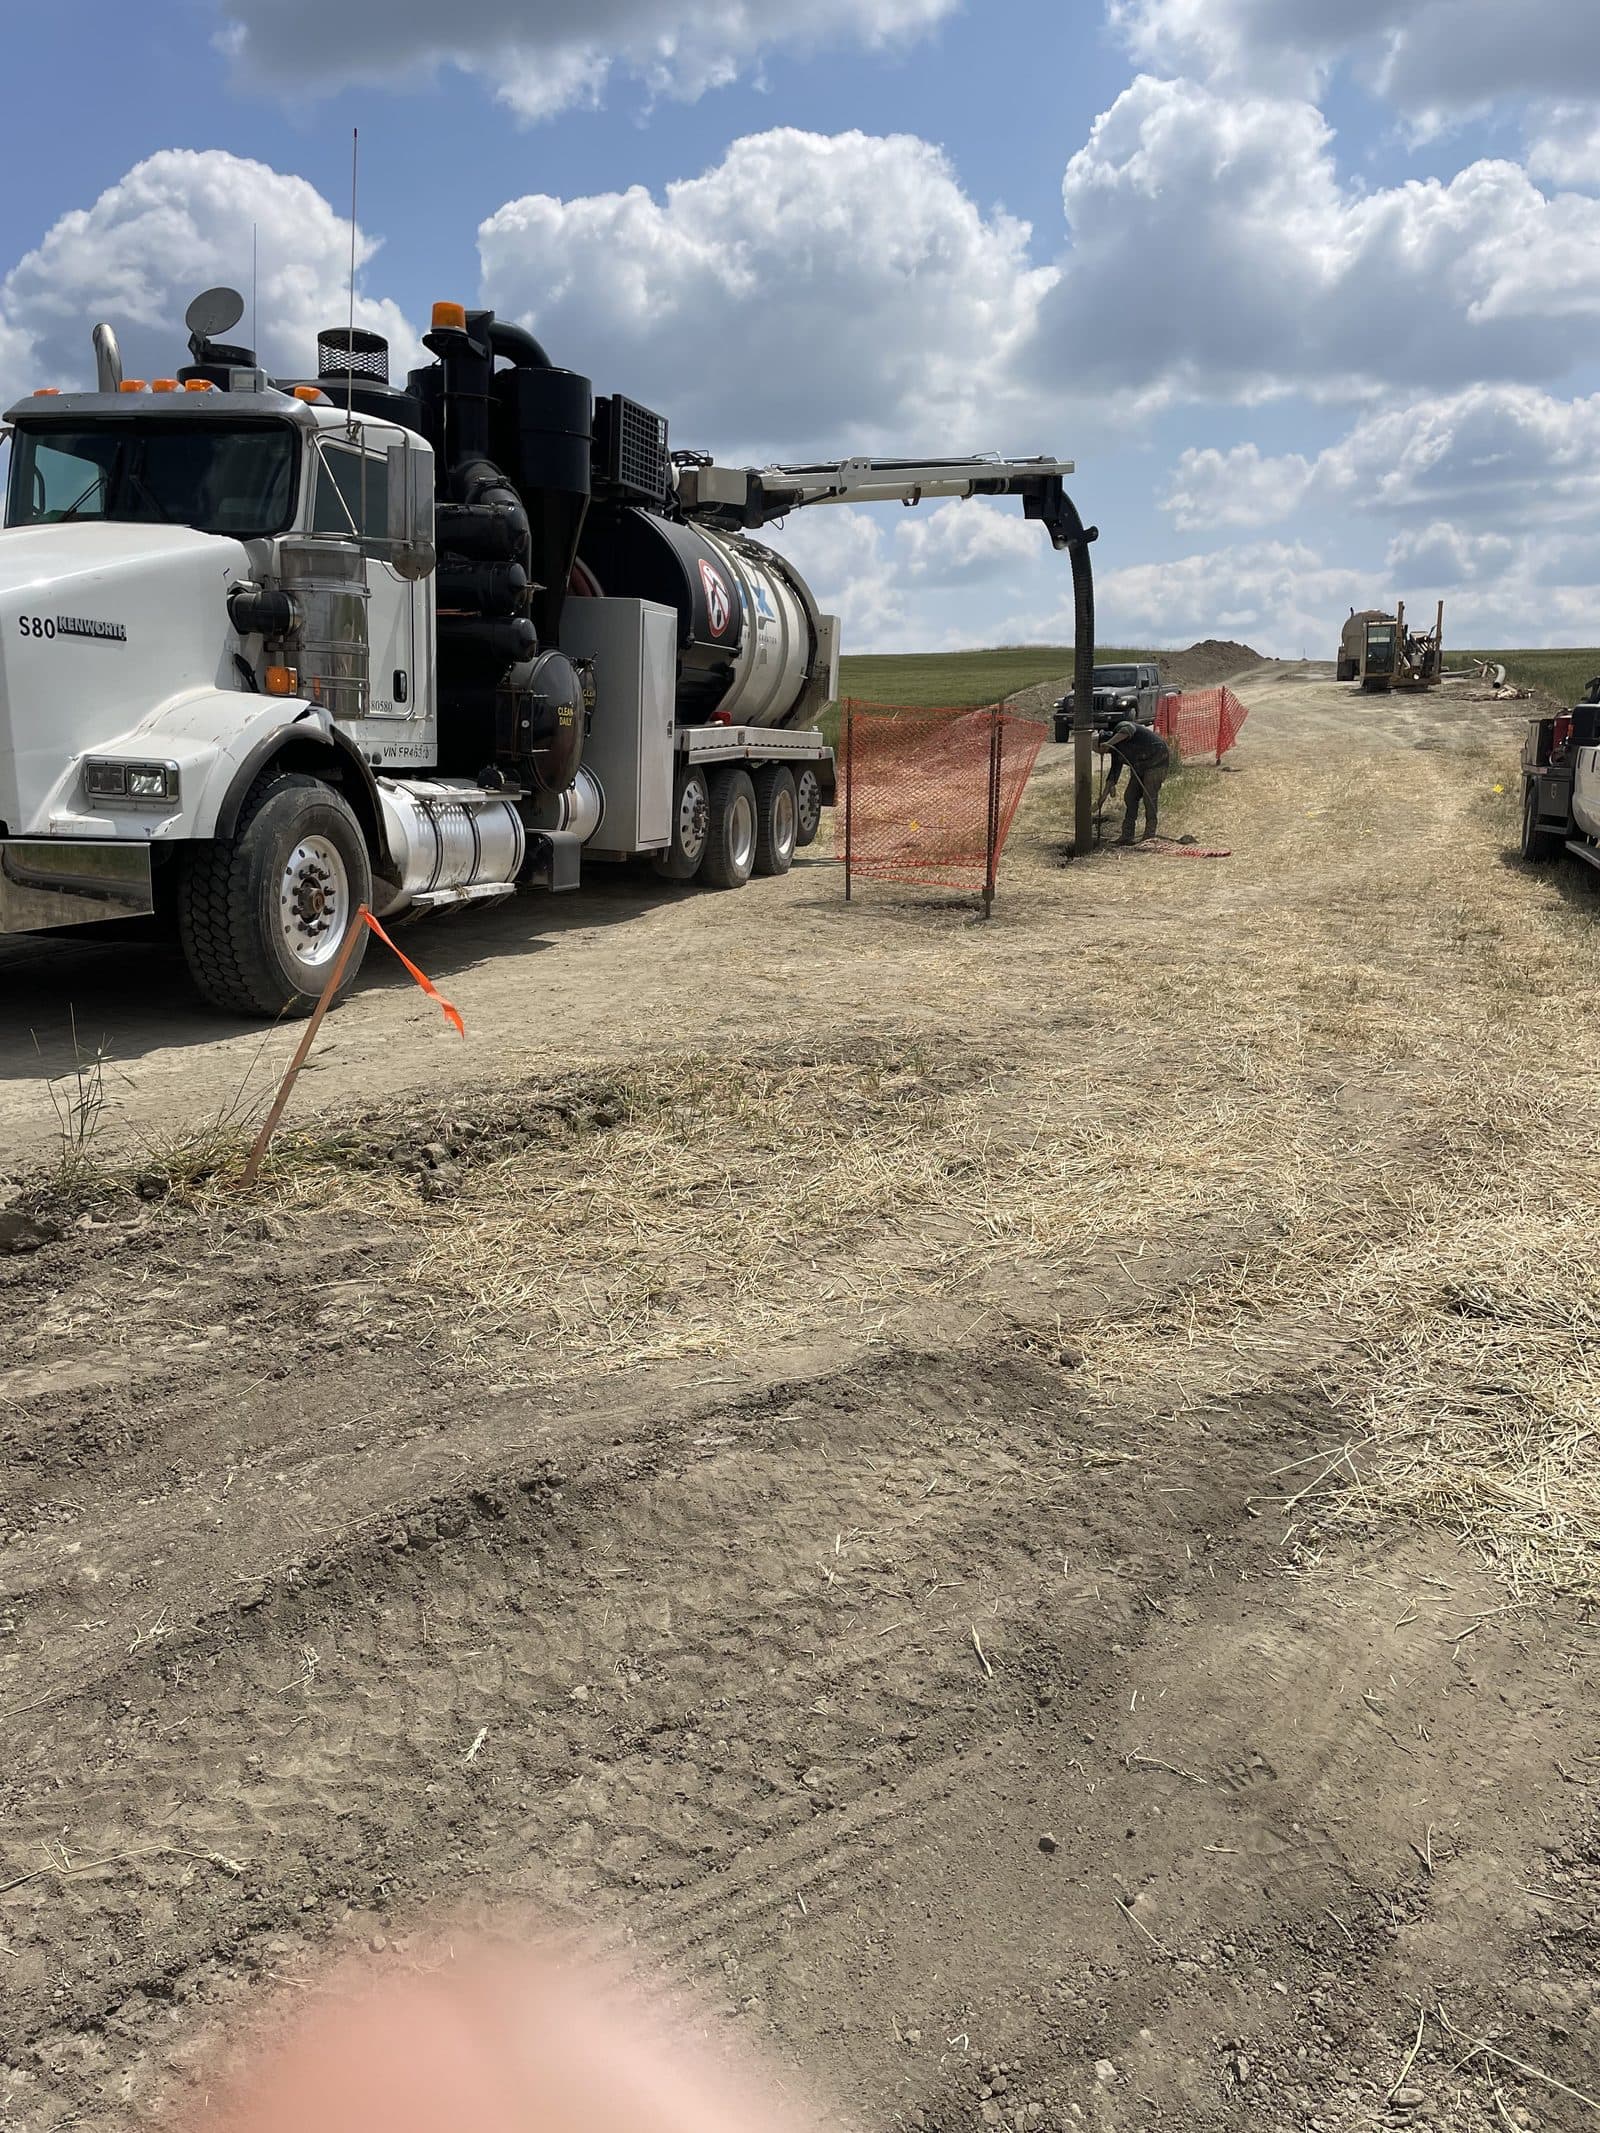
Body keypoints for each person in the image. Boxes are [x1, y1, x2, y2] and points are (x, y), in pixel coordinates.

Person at [1098, 719, 1170, 845]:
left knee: (1149, 797)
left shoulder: (1121, 727)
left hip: (1157, 760)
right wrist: (1102, 798)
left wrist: (1109, 743)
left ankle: (1149, 835)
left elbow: (1128, 730)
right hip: (1140, 767)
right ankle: (1127, 835)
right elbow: (1113, 776)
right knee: (1130, 796)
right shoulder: (1116, 754)